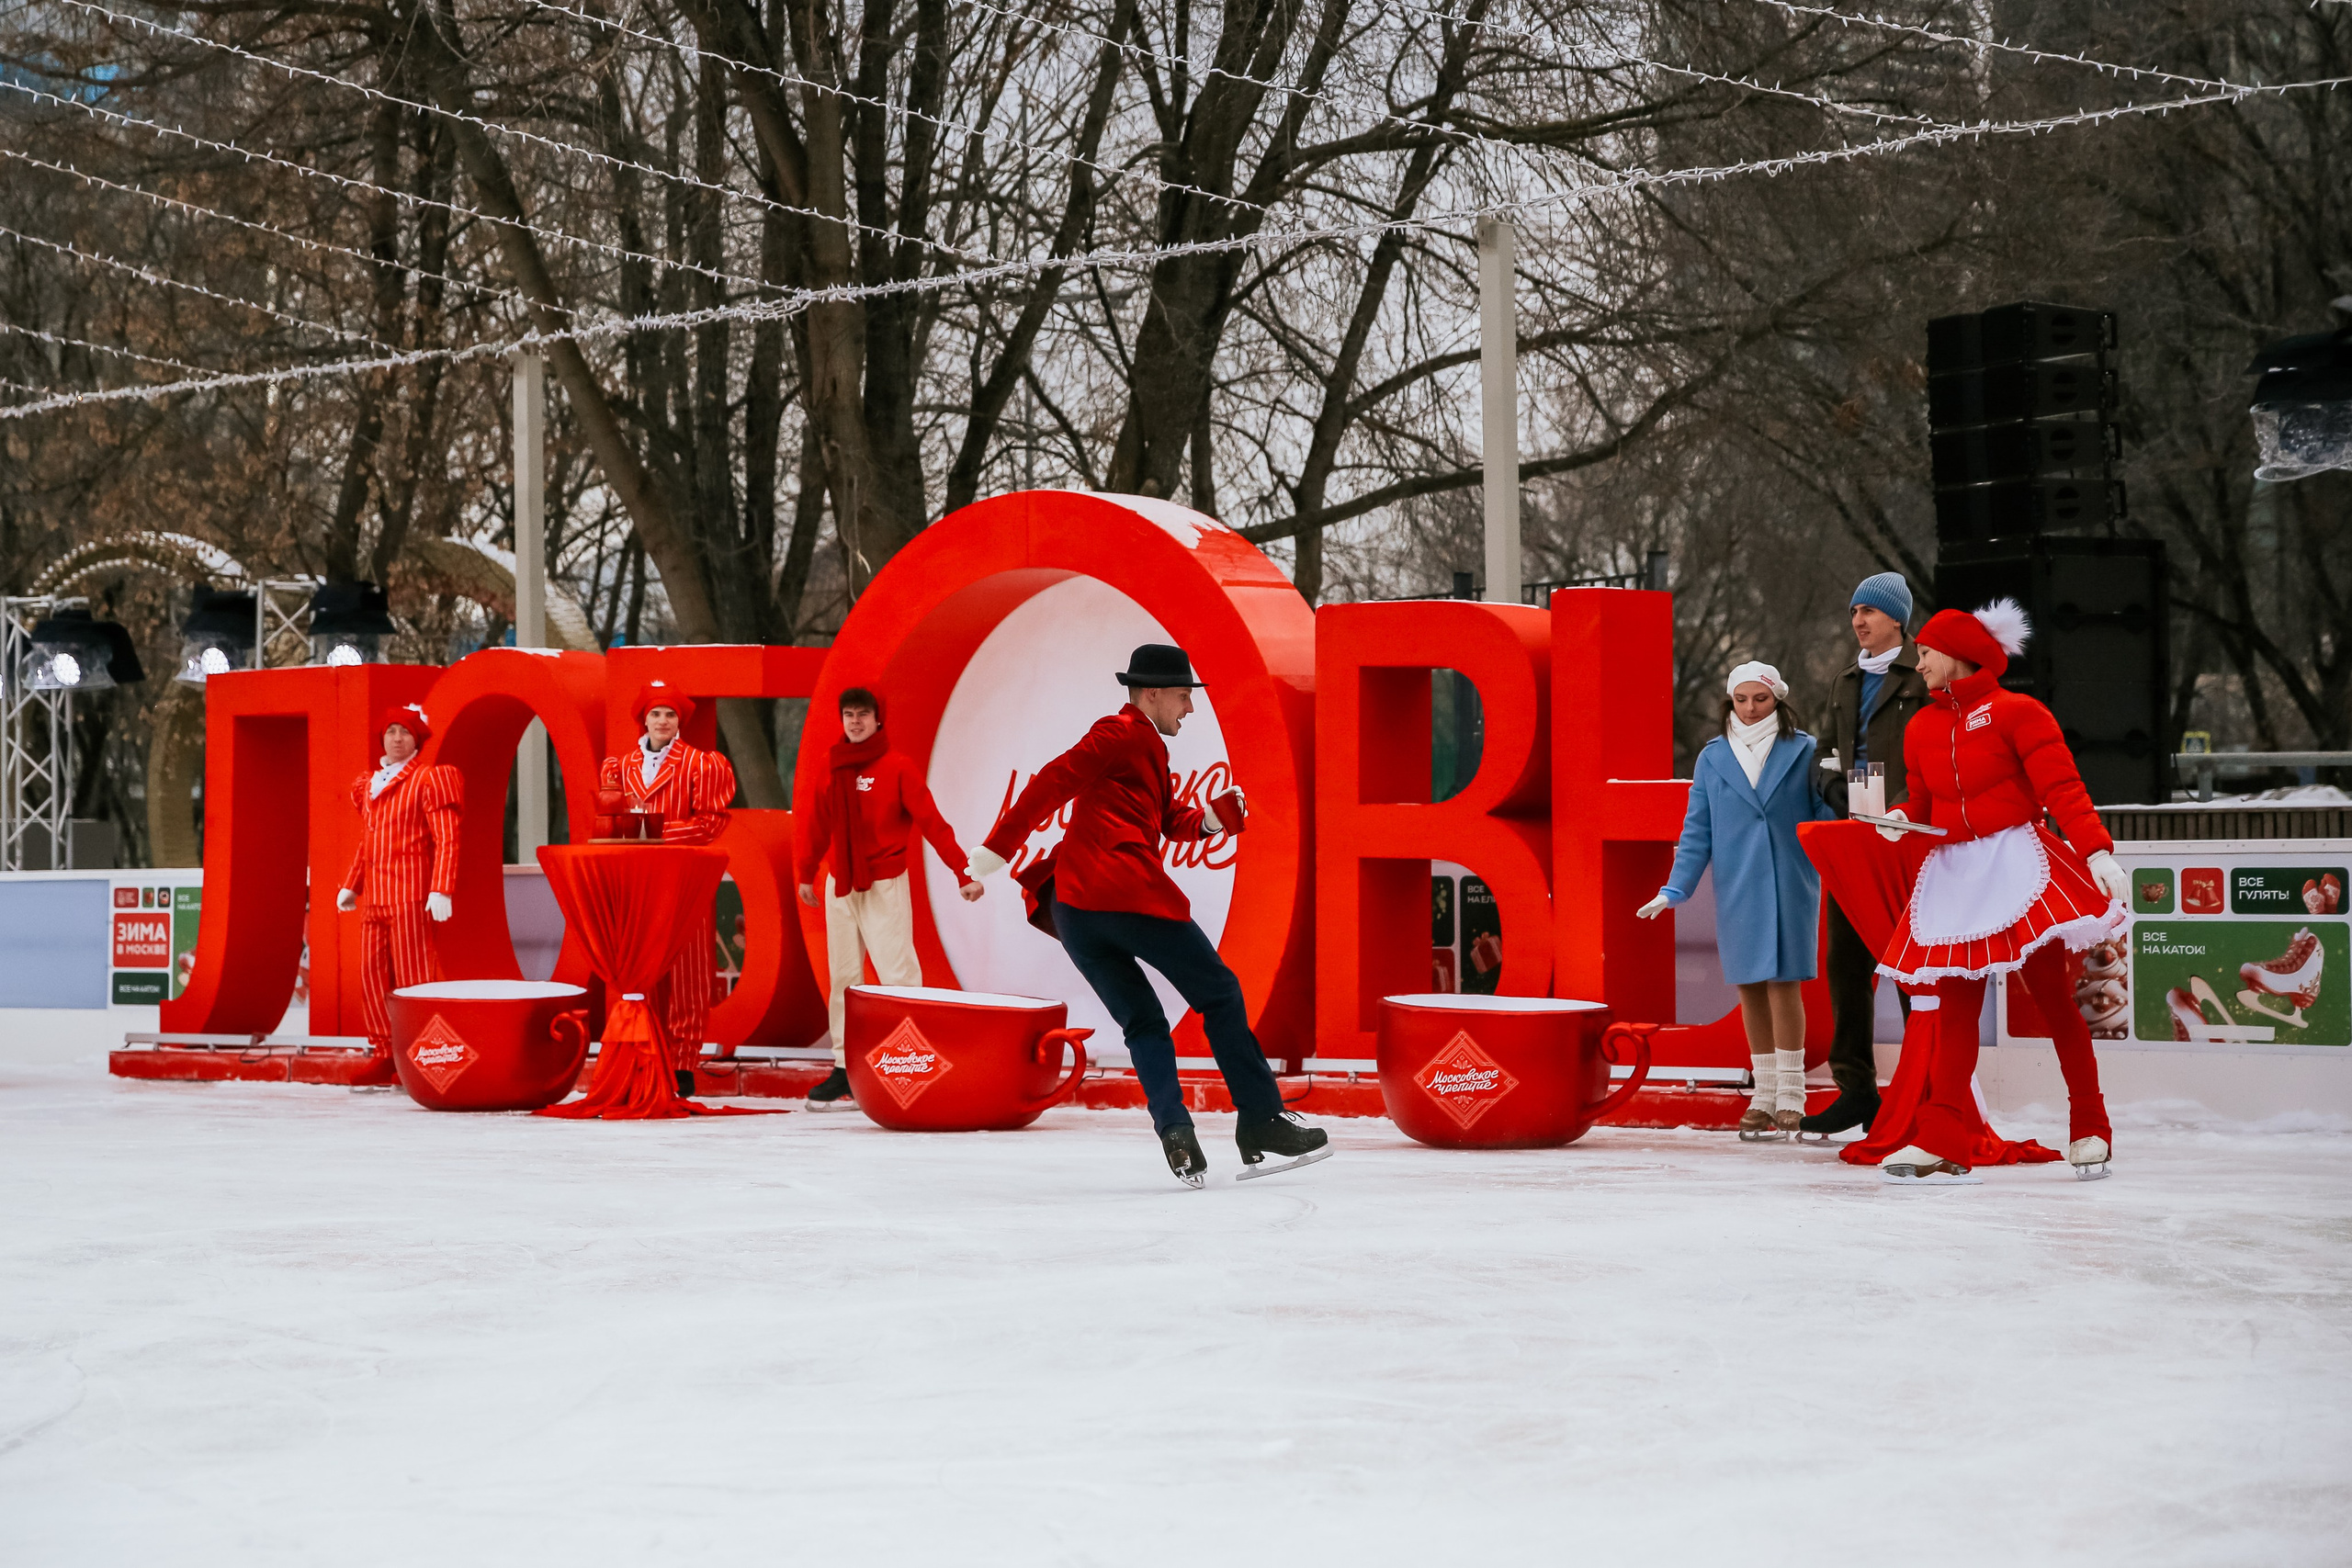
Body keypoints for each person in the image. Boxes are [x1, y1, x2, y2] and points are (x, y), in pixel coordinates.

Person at [964, 643, 1328, 1188]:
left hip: (1077, 912)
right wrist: (988, 858)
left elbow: (1160, 818)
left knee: (1143, 1021)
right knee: (1220, 994)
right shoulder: (1120, 732)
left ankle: (1175, 1132)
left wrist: (1209, 819)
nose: (1190, 708)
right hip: (1122, 894)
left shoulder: (1141, 745)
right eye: (1184, 696)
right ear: (1150, 693)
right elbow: (1052, 781)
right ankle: (1261, 1120)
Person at [1869, 600, 2132, 1184]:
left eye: (1927, 650)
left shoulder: (2019, 713)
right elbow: (1922, 800)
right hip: (1957, 874)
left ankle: (2090, 1123)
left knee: (2051, 999)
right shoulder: (1922, 726)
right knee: (1957, 1007)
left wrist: (2095, 850)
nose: (1920, 660)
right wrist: (1897, 817)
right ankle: (1941, 1137)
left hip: (2016, 868)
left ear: (1957, 654)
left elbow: (2062, 786)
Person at [1638, 662, 1838, 1137]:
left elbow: (1825, 819)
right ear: (1731, 702)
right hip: (1738, 884)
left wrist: (1840, 785)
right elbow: (1697, 831)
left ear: (1778, 700)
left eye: (1761, 699)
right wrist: (1674, 889)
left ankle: (1792, 1092)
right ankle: (1764, 1093)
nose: (1750, 709)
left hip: (1790, 881)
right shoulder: (1712, 758)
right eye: (1742, 699)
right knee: (1749, 985)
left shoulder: (1804, 750)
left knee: (1785, 984)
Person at [793, 686, 985, 1111]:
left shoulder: (897, 767)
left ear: (879, 719)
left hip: (883, 883)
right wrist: (806, 873)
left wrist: (962, 872)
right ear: (841, 720)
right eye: (849, 714)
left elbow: (932, 822)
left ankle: (910, 1061)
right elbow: (816, 822)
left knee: (897, 977)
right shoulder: (831, 764)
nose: (856, 721)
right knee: (843, 978)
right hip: (840, 882)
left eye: (863, 714)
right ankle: (844, 1068)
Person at [1802, 570, 1930, 1136]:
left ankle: (1924, 1088)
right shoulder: (1845, 678)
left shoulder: (1923, 675)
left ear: (1896, 619)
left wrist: (1903, 809)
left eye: (1869, 612)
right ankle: (1856, 1089)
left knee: (1910, 965)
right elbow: (1829, 751)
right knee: (1846, 965)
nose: (1858, 620)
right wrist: (1829, 786)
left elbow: (1935, 754)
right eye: (1854, 611)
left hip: (1908, 840)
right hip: (1854, 837)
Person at [601, 679, 737, 1098]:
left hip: (684, 880)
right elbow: (608, 824)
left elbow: (711, 823)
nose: (662, 721)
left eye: (670, 714)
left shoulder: (702, 764)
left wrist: (653, 833)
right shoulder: (617, 767)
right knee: (641, 972)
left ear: (680, 722)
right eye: (656, 714)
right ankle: (646, 1054)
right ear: (644, 719)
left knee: (689, 974)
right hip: (637, 883)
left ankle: (682, 1063)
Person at [335, 702, 463, 1053]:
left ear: (417, 739)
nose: (396, 738)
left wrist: (441, 888)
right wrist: (351, 884)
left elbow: (447, 837)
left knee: (413, 975)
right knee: (371, 973)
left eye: (404, 731)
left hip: (410, 893)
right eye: (390, 731)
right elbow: (369, 840)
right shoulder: (371, 785)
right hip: (375, 895)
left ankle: (418, 1049)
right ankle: (383, 1047)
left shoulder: (428, 778)